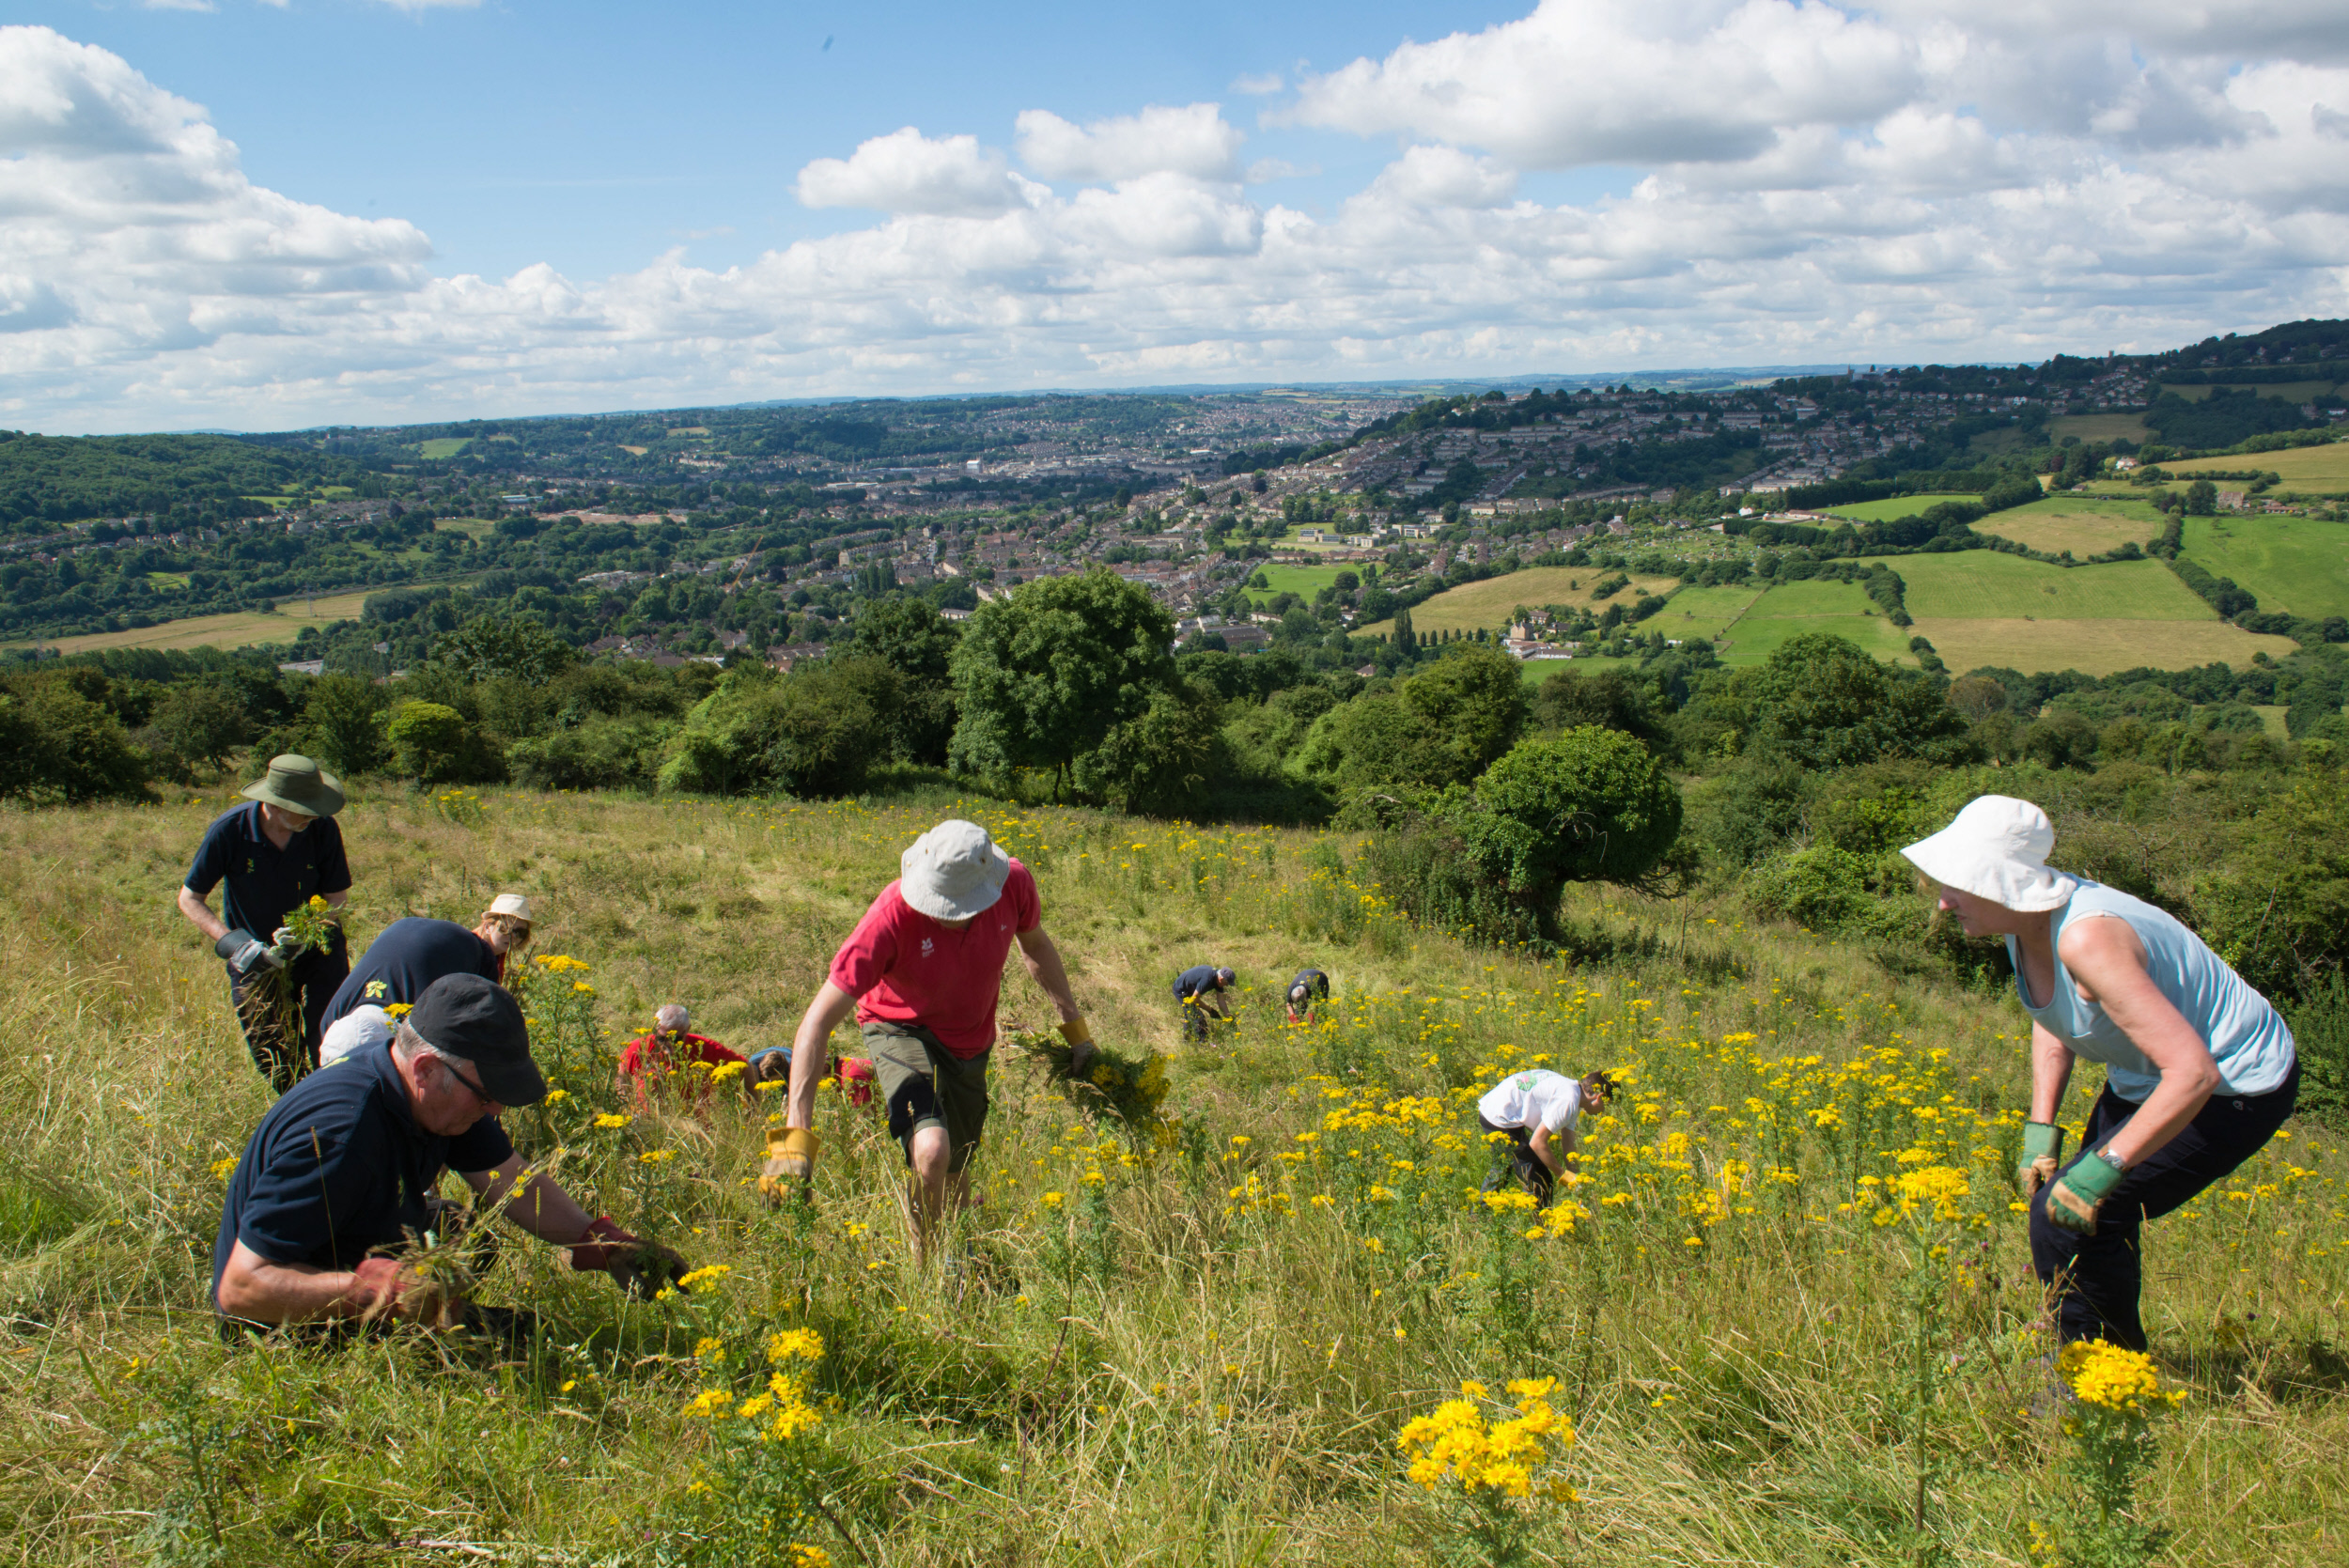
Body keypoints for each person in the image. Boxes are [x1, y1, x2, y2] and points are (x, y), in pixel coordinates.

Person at [1902, 795, 2299, 1350]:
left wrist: (2103, 1167)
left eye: (1956, 886)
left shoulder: (2089, 937)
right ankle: (2106, 1351)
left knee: (2066, 1214)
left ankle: (2098, 1374)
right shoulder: (2024, 925)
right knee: (2080, 1213)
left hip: (2235, 1082)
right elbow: (2055, 1016)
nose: (1943, 904)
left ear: (2000, 884)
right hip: (2150, 1077)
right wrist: (2042, 1129)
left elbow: (2193, 1073)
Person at [212, 973, 688, 1328]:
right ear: (424, 1069)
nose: (496, 1109)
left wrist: (600, 1242)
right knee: (533, 1340)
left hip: (355, 1259)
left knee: (458, 1229)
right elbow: (242, 1289)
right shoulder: (341, 1133)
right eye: (487, 1095)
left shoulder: (443, 1100)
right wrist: (381, 1292)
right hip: (280, 1326)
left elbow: (513, 1183)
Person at [762, 820, 1093, 1260]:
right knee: (933, 1150)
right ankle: (927, 1270)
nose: (942, 913)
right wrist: (793, 1138)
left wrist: (1076, 1032)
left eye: (956, 906)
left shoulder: (1013, 883)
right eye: (937, 903)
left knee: (955, 1167)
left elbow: (1034, 946)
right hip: (898, 1026)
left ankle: (955, 1263)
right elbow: (816, 1024)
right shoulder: (890, 916)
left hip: (970, 1042)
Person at [179, 754, 353, 1093]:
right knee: (273, 1051)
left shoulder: (321, 828)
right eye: (303, 808)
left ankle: (332, 1103)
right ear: (273, 804)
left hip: (317, 950)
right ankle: (297, 1111)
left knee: (332, 1037)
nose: (311, 816)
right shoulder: (230, 832)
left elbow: (337, 896)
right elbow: (189, 899)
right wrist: (237, 946)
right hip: (257, 960)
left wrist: (307, 933)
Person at [318, 895, 537, 1067]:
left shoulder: (334, 1020)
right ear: (488, 925)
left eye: (520, 932)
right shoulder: (475, 953)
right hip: (391, 1032)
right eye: (505, 928)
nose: (513, 937)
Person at [1478, 1067, 1614, 1206]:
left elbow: (1569, 1147)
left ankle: (1478, 1215)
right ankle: (1540, 1224)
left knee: (1504, 1167)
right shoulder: (1568, 1101)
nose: (1604, 1112)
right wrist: (1563, 1175)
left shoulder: (1573, 1095)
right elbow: (1537, 1143)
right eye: (1607, 1106)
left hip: (1498, 1108)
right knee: (1541, 1181)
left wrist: (1578, 1183)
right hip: (1500, 1116)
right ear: (1600, 1097)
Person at [616, 1003, 750, 1108]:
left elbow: (748, 1068)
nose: (669, 1045)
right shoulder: (638, 1049)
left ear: (688, 1029)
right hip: (650, 1128)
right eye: (662, 1038)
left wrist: (754, 1111)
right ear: (654, 1030)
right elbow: (621, 1079)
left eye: (676, 1039)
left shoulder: (702, 1048)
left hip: (693, 1130)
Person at [1174, 965, 1237, 1040]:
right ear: (1221, 979)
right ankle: (1203, 1042)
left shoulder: (1218, 981)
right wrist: (1210, 1010)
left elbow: (1221, 1000)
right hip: (1181, 989)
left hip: (1191, 990)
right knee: (1197, 1017)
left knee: (1190, 1014)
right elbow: (1195, 999)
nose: (1226, 985)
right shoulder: (1207, 979)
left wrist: (1229, 1017)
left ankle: (1187, 1039)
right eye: (1226, 983)